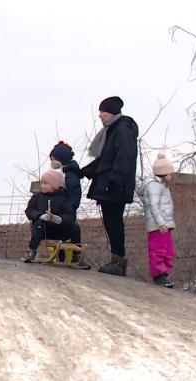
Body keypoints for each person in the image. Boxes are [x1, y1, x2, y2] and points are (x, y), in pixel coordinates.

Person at [81, 96, 138, 276]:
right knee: (110, 221)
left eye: (102, 112)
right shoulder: (112, 131)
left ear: (111, 112)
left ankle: (118, 261)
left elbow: (124, 158)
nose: (99, 116)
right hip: (109, 185)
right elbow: (103, 161)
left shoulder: (122, 130)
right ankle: (116, 260)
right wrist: (82, 171)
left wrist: (114, 181)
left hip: (115, 187)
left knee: (114, 222)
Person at [23, 168, 85, 266]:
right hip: (44, 230)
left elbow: (70, 215)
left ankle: (76, 255)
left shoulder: (64, 198)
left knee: (75, 227)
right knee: (39, 224)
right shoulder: (37, 197)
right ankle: (32, 251)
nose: (42, 186)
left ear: (54, 185)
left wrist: (59, 219)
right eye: (42, 183)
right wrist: (40, 216)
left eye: (45, 183)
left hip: (60, 229)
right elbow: (29, 211)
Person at [139, 152, 177, 288]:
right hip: (158, 225)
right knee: (158, 249)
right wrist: (161, 223)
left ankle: (164, 273)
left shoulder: (162, 185)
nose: (171, 175)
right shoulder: (154, 185)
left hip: (165, 224)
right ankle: (158, 275)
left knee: (168, 250)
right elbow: (154, 206)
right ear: (164, 172)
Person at [49, 141, 83, 211]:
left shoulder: (70, 175)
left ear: (62, 159)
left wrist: (68, 209)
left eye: (54, 159)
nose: (52, 162)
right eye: (51, 160)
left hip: (65, 214)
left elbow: (74, 196)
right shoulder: (56, 174)